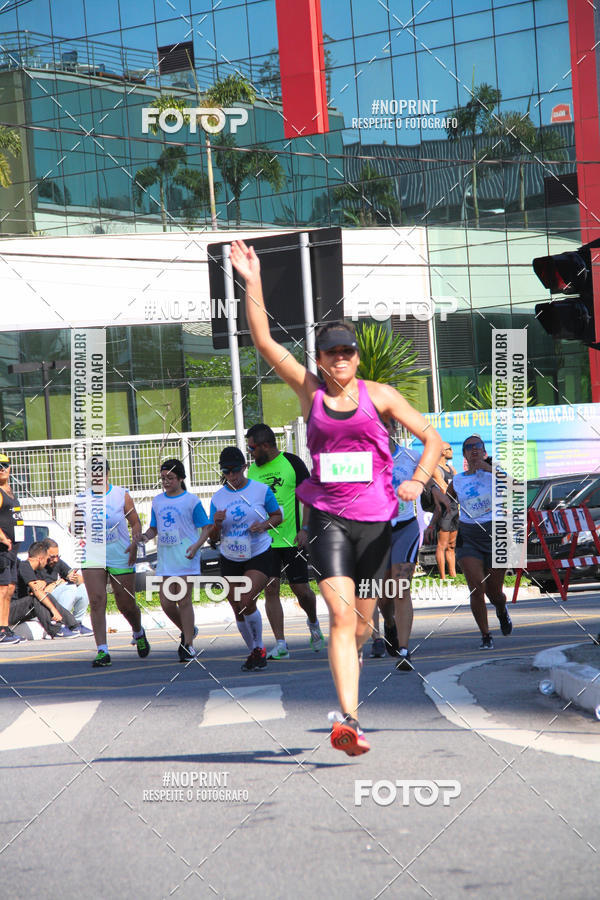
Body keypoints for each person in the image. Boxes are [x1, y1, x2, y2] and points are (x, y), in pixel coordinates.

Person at [229, 239, 442, 755]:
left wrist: (416, 479)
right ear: (320, 360)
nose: (341, 358)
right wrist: (252, 282)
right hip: (328, 520)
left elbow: (433, 438)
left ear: (356, 356)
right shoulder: (311, 394)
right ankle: (347, 719)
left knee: (364, 623)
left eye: (348, 351)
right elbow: (263, 343)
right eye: (332, 352)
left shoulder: (381, 395)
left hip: (377, 522)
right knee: (341, 617)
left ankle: (354, 674)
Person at [187, 446, 282, 672]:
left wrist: (263, 525)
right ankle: (254, 651)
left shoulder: (260, 490)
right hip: (230, 555)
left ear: (244, 467)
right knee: (237, 606)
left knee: (247, 600)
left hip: (258, 552)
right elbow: (214, 537)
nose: (232, 476)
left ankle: (259, 649)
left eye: (236, 471)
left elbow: (277, 516)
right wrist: (217, 524)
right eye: (227, 472)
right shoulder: (218, 498)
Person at [246, 422, 325, 659]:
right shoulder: (252, 472)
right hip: (265, 540)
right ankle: (281, 644)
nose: (250, 453)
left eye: (252, 448)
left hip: (292, 539)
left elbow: (309, 498)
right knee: (271, 589)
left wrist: (305, 529)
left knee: (301, 590)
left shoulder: (292, 463)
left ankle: (313, 622)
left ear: (265, 445)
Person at [75, 456, 150, 668]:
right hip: (93, 555)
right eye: (92, 473)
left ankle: (138, 632)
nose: (96, 476)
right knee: (97, 601)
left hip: (120, 553)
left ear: (108, 473)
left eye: (100, 472)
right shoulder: (82, 498)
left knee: (125, 603)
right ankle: (103, 651)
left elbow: (135, 522)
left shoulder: (120, 495)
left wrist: (135, 544)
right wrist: (75, 527)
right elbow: (76, 525)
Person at [134, 459, 208, 661]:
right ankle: (188, 629)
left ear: (181, 478)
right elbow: (154, 527)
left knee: (183, 600)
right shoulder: (158, 501)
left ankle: (188, 645)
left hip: (186, 557)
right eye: (163, 478)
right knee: (166, 603)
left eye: (171, 478)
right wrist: (146, 536)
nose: (166, 482)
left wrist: (197, 545)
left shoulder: (191, 501)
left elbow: (207, 526)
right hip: (166, 560)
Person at [447, 434, 513, 649]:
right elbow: (447, 503)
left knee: (495, 592)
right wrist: (435, 522)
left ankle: (501, 610)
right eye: (469, 447)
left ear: (484, 451)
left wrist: (489, 468)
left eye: (478, 446)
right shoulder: (458, 479)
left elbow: (516, 487)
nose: (474, 449)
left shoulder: (495, 473)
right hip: (469, 535)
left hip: (496, 534)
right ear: (464, 454)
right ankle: (486, 635)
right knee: (477, 587)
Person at [10, 542, 81, 639]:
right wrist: (54, 610)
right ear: (40, 559)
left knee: (44, 596)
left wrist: (42, 584)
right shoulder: (24, 566)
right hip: (9, 611)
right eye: (47, 559)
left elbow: (37, 590)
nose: (47, 562)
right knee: (36, 598)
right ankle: (55, 630)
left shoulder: (31, 570)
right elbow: (37, 592)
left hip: (18, 609)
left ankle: (74, 625)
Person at [40, 538, 92, 635]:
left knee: (82, 587)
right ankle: (60, 624)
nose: (55, 559)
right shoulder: (36, 564)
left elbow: (80, 580)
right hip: (43, 597)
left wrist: (73, 578)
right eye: (52, 557)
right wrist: (59, 583)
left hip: (55, 593)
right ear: (43, 553)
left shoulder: (57, 562)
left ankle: (76, 623)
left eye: (57, 556)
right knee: (70, 588)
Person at [0, 452, 25, 644]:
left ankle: (5, 627)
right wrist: (3, 538)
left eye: (5, 465)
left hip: (13, 550)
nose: (2, 469)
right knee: (2, 589)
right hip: (3, 548)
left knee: (9, 589)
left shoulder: (10, 490)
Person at [426, 443, 459, 580]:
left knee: (452, 545)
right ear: (442, 452)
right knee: (442, 545)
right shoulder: (436, 469)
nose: (452, 451)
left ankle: (453, 575)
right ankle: (443, 577)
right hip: (444, 509)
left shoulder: (451, 468)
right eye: (449, 449)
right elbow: (444, 489)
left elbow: (459, 485)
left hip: (454, 508)